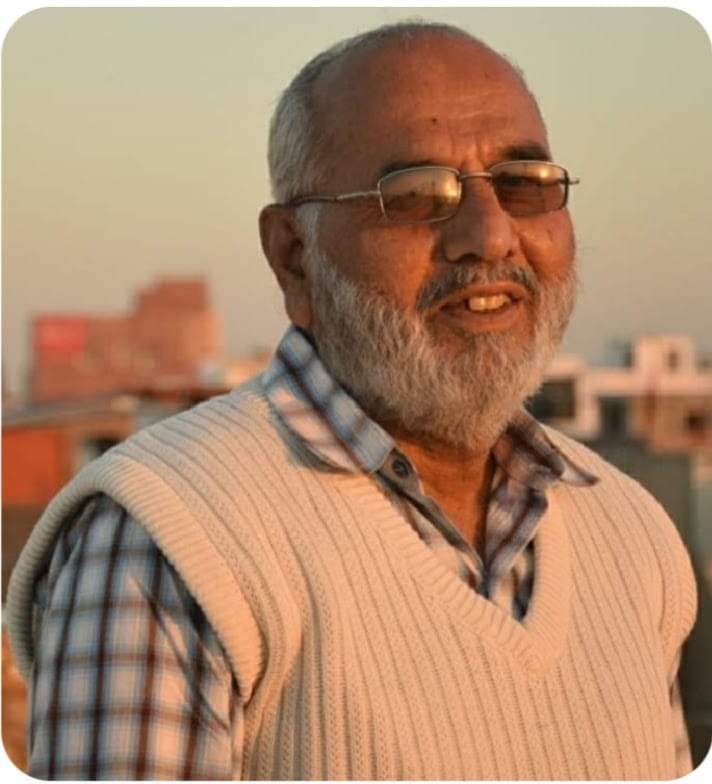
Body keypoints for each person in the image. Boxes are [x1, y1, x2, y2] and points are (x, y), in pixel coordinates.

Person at [6, 21, 697, 780]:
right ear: (294, 257)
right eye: (418, 195)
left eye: (523, 183)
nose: (490, 235)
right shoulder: (172, 537)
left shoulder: (632, 540)